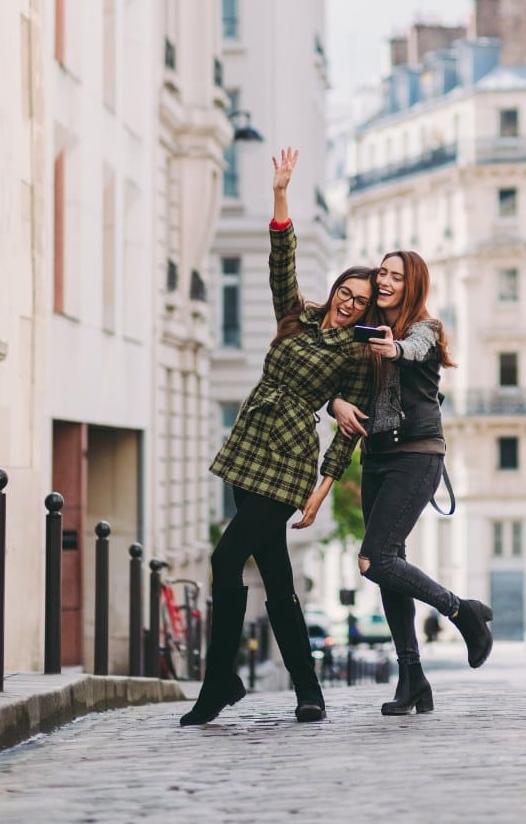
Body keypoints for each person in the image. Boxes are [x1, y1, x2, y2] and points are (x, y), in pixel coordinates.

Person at [180, 147, 376, 727]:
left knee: (224, 559)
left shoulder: (357, 353)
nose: (349, 303)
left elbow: (349, 431)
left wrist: (320, 492)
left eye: (361, 302)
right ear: (336, 289)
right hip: (249, 443)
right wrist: (280, 193)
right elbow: (280, 261)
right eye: (346, 292)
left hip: (289, 459)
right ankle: (309, 691)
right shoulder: (298, 316)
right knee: (279, 581)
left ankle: (219, 683)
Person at [328, 250, 493, 717]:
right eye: (382, 272)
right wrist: (335, 402)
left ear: (412, 285)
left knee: (374, 560)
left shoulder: (426, 330)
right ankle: (412, 678)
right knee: (390, 566)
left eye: (396, 276)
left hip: (416, 456)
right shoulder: (364, 330)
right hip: (376, 458)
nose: (384, 281)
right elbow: (338, 380)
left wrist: (393, 348)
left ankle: (461, 610)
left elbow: (413, 348)